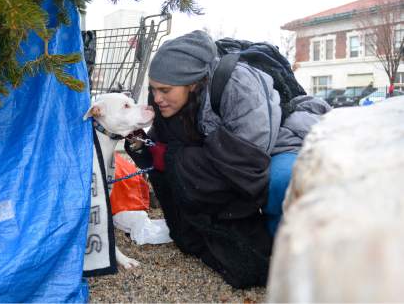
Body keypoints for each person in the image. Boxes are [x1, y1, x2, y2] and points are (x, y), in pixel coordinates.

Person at [125, 30, 331, 289]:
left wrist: (172, 158)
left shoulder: (239, 86)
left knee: (279, 182)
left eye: (164, 90)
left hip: (281, 138)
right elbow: (167, 147)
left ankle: (296, 260)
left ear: (192, 83)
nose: (156, 99)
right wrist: (146, 149)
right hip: (237, 151)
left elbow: (247, 165)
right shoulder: (168, 98)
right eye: (153, 89)